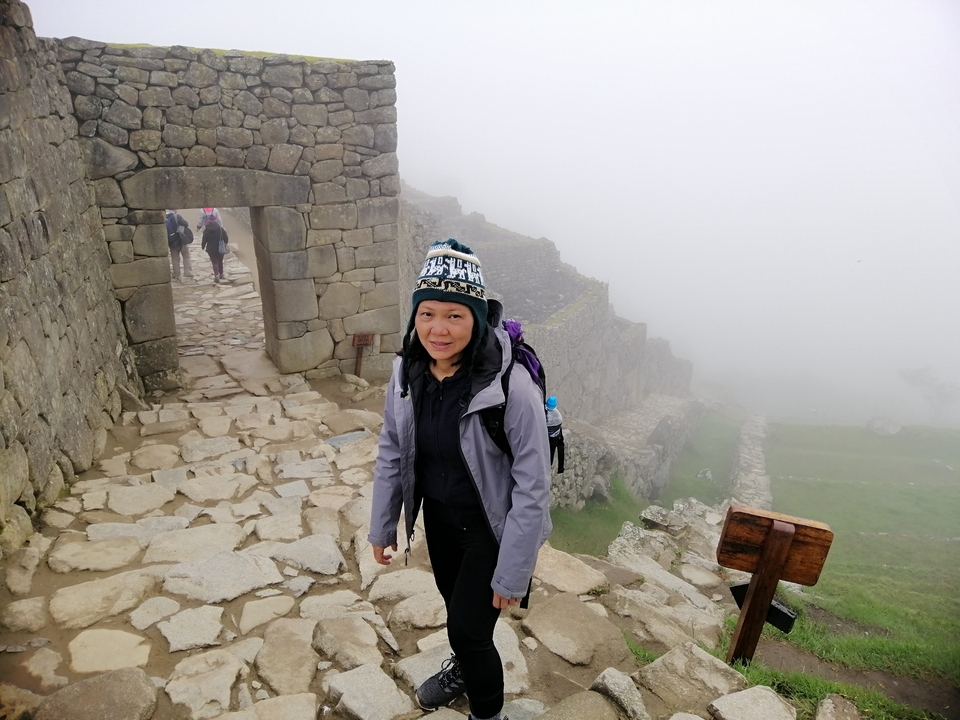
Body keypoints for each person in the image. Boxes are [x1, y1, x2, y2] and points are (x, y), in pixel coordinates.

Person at [369, 239, 552, 720]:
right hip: (442, 522)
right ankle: (466, 668)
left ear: (477, 317)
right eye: (427, 313)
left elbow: (533, 486)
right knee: (461, 617)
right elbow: (392, 447)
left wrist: (515, 568)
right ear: (415, 316)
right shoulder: (406, 372)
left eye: (455, 316)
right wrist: (382, 525)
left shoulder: (511, 387)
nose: (439, 329)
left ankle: (488, 714)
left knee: (469, 632)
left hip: (492, 528)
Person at [198, 208, 228, 283]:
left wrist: (203, 246)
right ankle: (221, 274)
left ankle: (216, 275)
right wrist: (225, 244)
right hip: (220, 248)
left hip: (211, 249)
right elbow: (226, 238)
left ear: (208, 222)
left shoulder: (206, 230)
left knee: (214, 262)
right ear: (215, 221)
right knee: (220, 261)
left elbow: (204, 240)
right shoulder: (221, 229)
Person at [164, 209, 193, 282]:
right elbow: (186, 224)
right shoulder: (177, 216)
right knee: (186, 256)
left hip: (172, 242)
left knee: (175, 259)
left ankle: (176, 274)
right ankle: (187, 272)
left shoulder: (164, 218)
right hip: (181, 240)